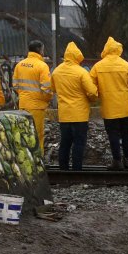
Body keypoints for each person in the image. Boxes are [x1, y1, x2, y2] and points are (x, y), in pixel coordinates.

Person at [90, 36, 128, 170]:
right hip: (125, 107)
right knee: (127, 134)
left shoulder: (98, 66)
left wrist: (92, 99)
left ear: (106, 50)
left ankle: (117, 161)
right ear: (118, 49)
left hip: (109, 108)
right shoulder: (126, 65)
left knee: (113, 134)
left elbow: (90, 87)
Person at [51, 42, 98, 171]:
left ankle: (63, 169)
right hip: (80, 115)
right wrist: (92, 100)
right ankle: (77, 170)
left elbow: (53, 88)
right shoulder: (81, 72)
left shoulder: (56, 71)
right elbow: (92, 92)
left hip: (64, 114)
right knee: (79, 143)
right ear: (78, 56)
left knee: (65, 143)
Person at [12, 40, 53, 153]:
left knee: (24, 134)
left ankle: (25, 160)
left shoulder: (20, 65)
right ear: (40, 50)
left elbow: (15, 85)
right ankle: (38, 161)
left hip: (23, 105)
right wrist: (46, 99)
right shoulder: (42, 66)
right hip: (36, 107)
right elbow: (47, 88)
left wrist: (24, 96)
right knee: (37, 135)